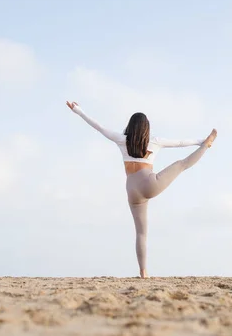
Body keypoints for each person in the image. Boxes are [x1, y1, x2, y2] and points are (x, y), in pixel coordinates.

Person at [66, 101, 217, 278]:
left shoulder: (121, 140)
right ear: (146, 128)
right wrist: (201, 141)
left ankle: (143, 271)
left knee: (141, 232)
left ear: (130, 126)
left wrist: (78, 110)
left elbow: (98, 126)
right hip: (149, 184)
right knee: (181, 164)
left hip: (132, 190)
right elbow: (181, 142)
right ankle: (207, 145)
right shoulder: (154, 142)